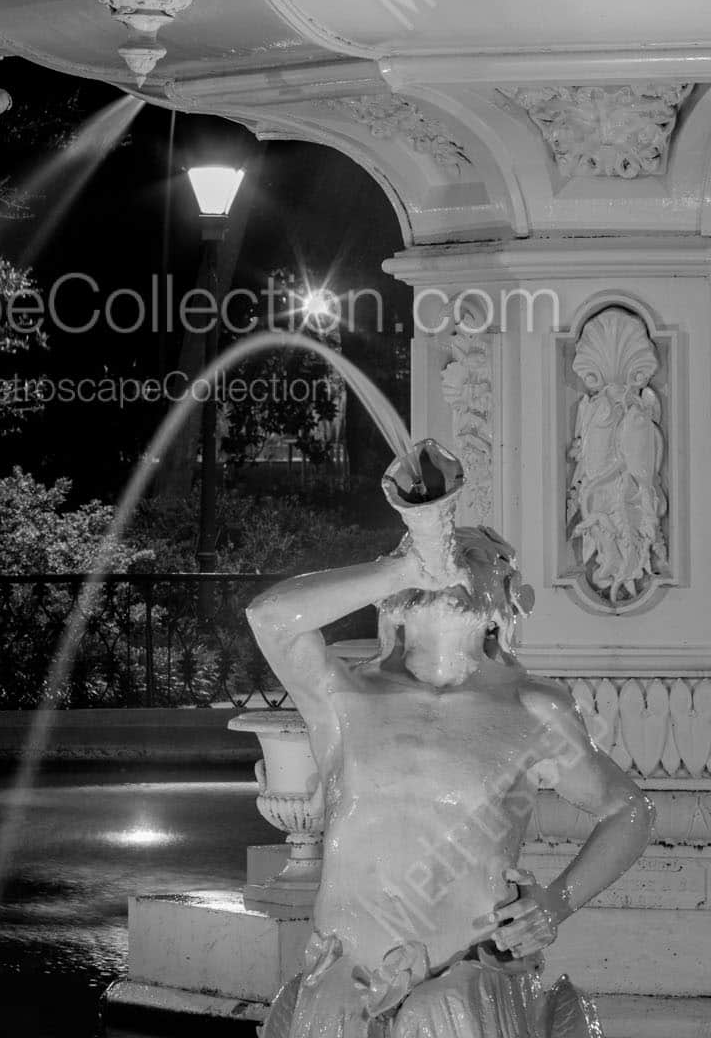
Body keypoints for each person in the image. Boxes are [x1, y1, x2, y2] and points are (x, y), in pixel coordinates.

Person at [247, 441, 654, 1038]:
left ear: (503, 605)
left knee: (442, 1014)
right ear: (392, 599)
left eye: (474, 558)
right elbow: (269, 618)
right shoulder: (344, 698)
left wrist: (556, 903)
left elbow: (630, 810)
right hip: (344, 987)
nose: (452, 559)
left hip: (463, 991)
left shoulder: (533, 709)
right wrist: (407, 567)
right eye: (437, 551)